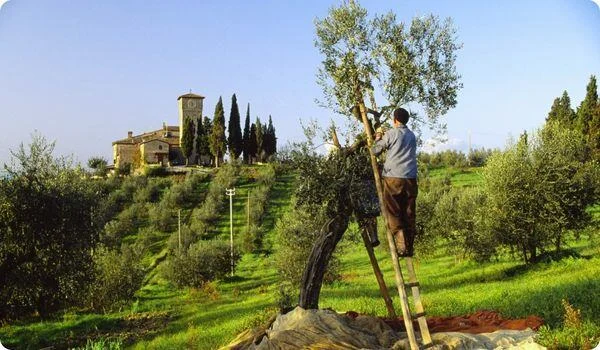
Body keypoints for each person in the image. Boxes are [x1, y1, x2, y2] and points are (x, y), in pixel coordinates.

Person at [371, 108, 418, 257]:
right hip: (410, 177)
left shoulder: (390, 134)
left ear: (395, 120)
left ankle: (401, 245)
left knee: (393, 210)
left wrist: (378, 137)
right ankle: (409, 248)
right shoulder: (412, 135)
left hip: (393, 177)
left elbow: (375, 151)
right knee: (409, 211)